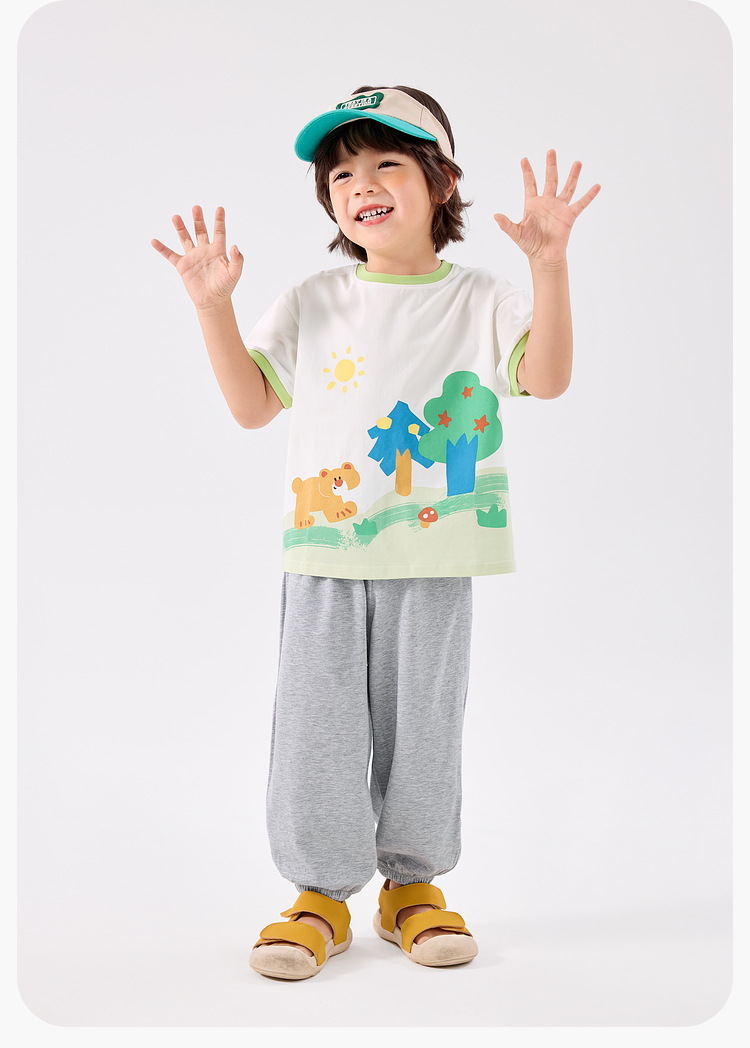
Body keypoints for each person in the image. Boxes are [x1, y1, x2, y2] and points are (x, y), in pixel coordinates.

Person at [151, 85, 600, 980]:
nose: (362, 184)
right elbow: (252, 407)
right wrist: (212, 308)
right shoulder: (313, 299)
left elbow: (546, 379)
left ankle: (411, 888)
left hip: (436, 551)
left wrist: (550, 267)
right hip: (325, 553)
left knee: (423, 726)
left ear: (442, 183)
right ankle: (319, 895)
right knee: (315, 724)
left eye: (387, 163)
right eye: (341, 174)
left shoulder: (481, 297)